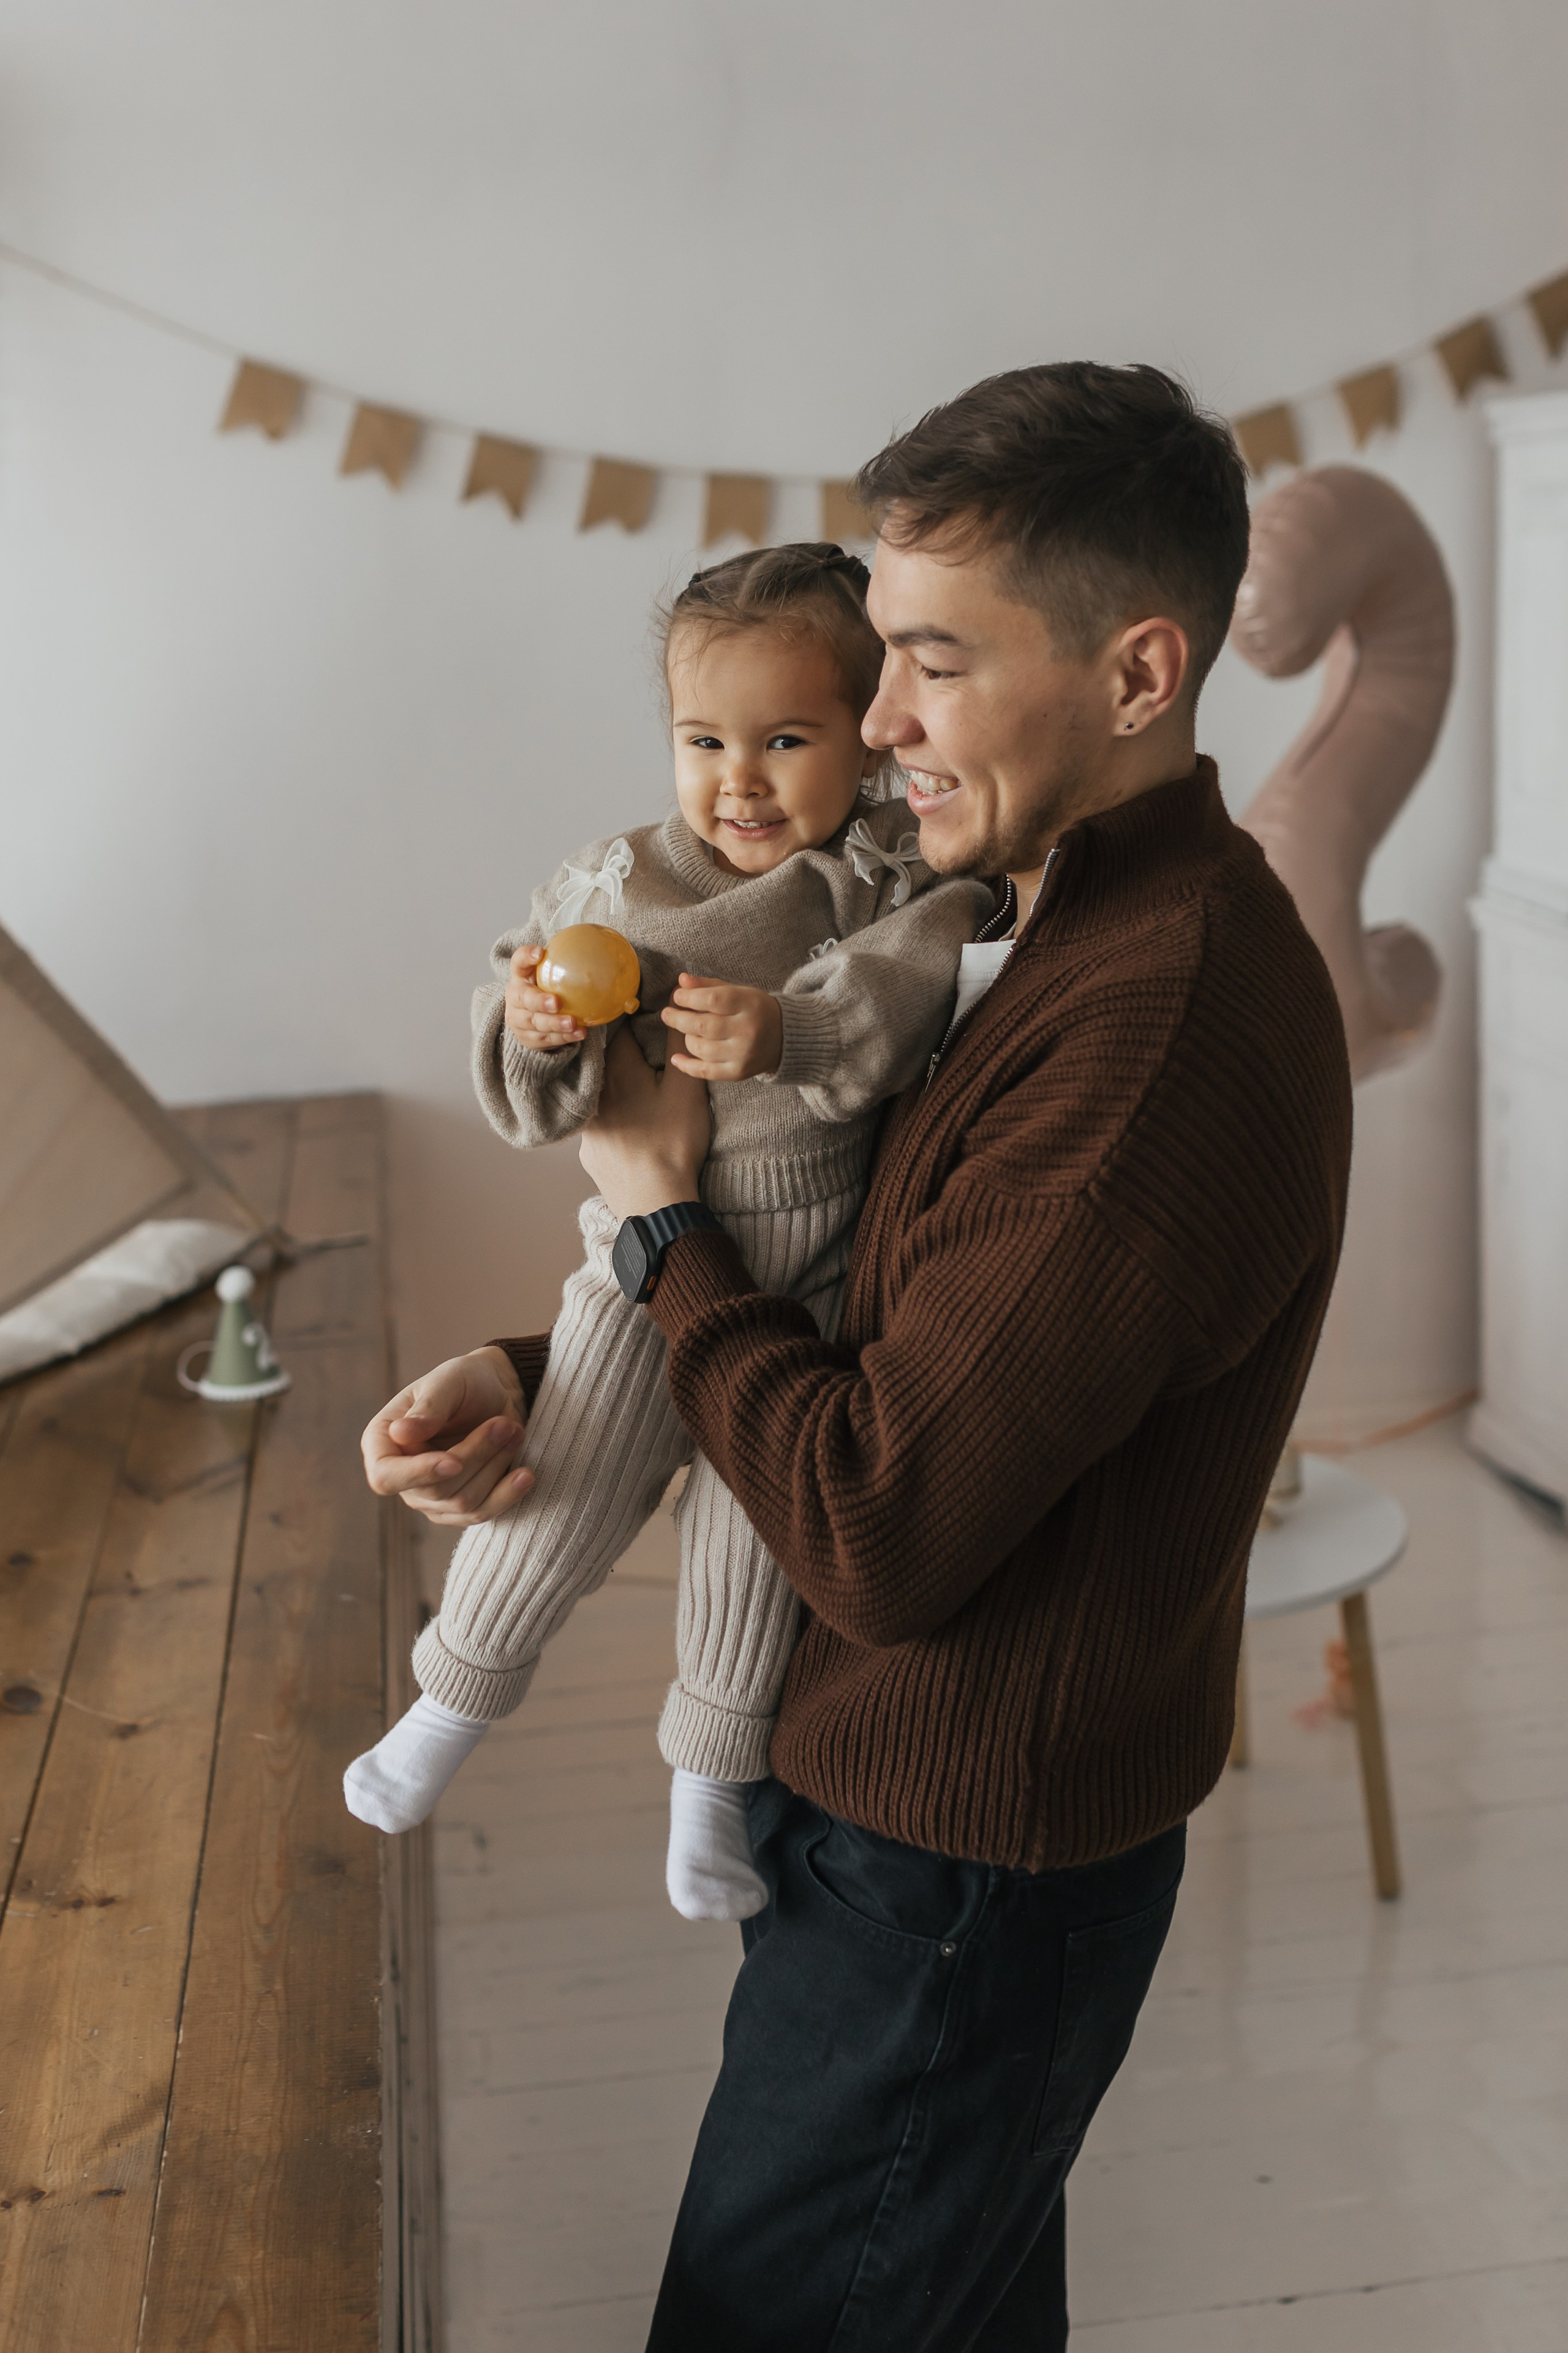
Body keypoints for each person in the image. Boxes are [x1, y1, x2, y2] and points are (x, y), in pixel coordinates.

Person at [361, 362, 1352, 2349]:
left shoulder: (1150, 1033)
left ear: (1141, 670)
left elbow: (882, 1517)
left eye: (929, 662)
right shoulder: (1022, 915)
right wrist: (553, 1367)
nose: (876, 718)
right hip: (909, 1822)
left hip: (956, 1862)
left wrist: (655, 1231)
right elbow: (890, 1280)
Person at [344, 543, 989, 1920]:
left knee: (751, 1553)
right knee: (561, 1482)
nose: (738, 780)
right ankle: (445, 1709)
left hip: (810, 1289)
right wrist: (536, 1029)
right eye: (702, 740)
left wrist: (785, 1025)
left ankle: (704, 1794)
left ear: (868, 737)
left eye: (784, 739)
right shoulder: (617, 882)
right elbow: (534, 1094)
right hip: (634, 1270)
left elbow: (899, 999)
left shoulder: (882, 878)